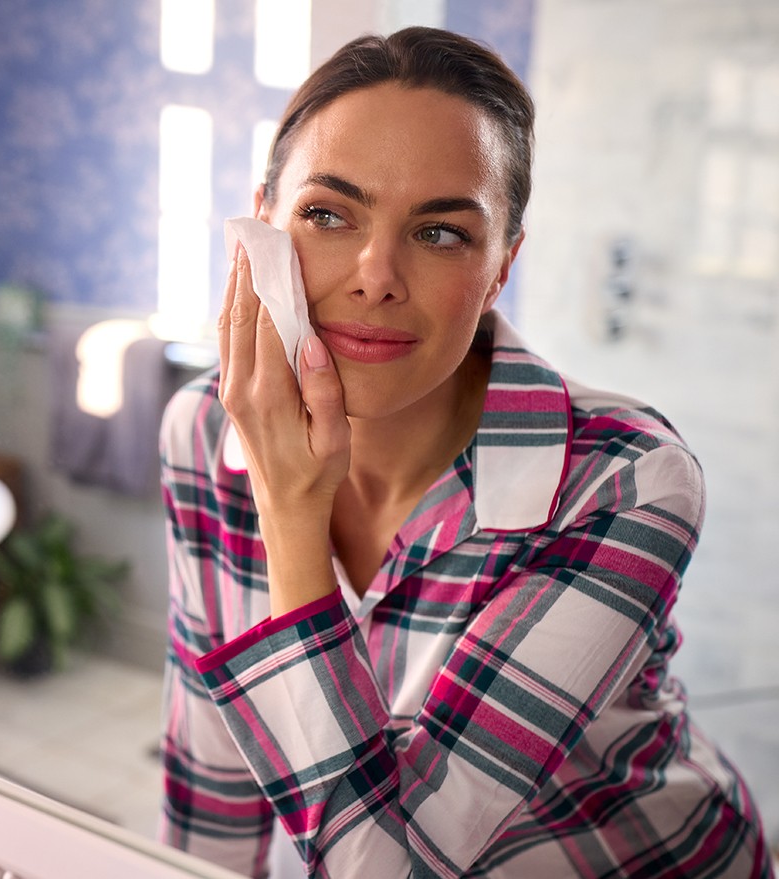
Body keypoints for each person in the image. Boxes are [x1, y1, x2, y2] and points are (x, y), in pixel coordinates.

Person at [157, 27, 773, 879]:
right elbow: (211, 772)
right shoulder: (200, 429)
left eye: (440, 233)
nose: (375, 275)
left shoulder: (626, 480)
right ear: (262, 226)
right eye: (328, 214)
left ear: (501, 266)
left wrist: (293, 512)